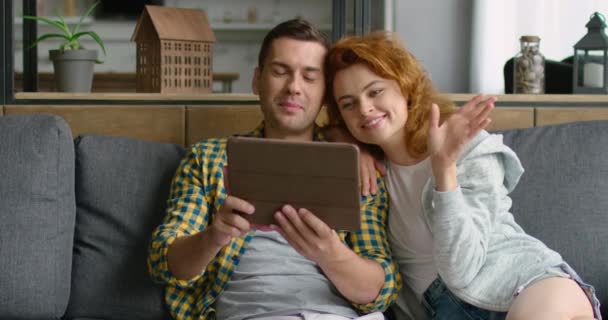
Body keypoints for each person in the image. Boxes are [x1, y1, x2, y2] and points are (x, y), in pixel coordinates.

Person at [323, 32, 602, 320]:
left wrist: (444, 169)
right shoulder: (370, 174)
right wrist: (345, 142)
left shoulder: (470, 149)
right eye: (348, 104)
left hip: (525, 285)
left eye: (375, 91)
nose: (365, 109)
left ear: (404, 87)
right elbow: (319, 133)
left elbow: (461, 270)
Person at [147, 19, 401, 320]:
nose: (293, 87)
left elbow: (382, 289)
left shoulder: (354, 165)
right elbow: (163, 261)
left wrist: (328, 252)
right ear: (257, 80)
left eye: (310, 77)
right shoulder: (208, 159)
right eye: (280, 71)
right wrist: (215, 235)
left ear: (325, 93)